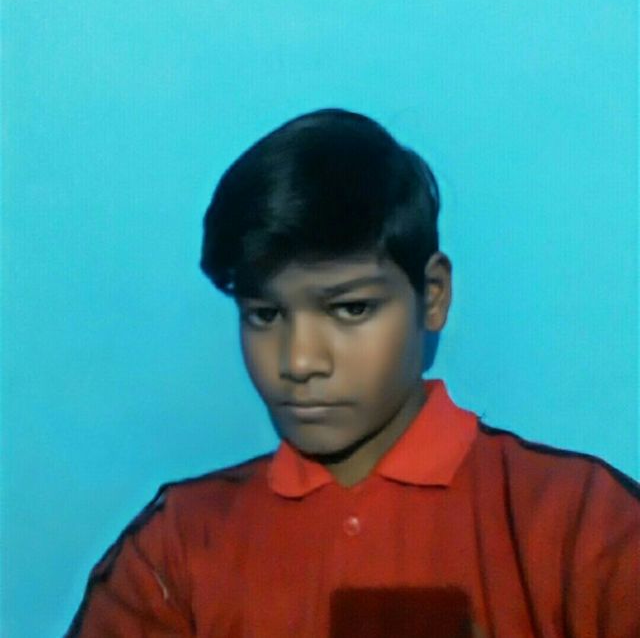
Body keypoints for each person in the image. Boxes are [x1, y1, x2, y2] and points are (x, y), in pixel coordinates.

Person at [67, 109, 639, 637]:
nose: (299, 362)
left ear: (433, 295)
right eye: (264, 315)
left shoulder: (583, 526)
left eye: (351, 309)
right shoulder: (177, 549)